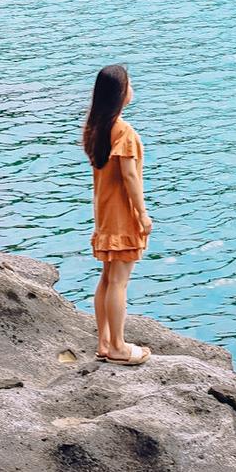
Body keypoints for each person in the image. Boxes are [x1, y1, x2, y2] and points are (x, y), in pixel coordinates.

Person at [82, 62, 153, 365]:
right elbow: (130, 177)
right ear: (121, 93)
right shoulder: (123, 132)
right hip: (122, 215)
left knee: (108, 277)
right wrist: (143, 213)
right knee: (120, 281)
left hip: (104, 213)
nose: (132, 89)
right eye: (130, 84)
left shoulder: (96, 127)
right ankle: (119, 348)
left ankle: (104, 343)